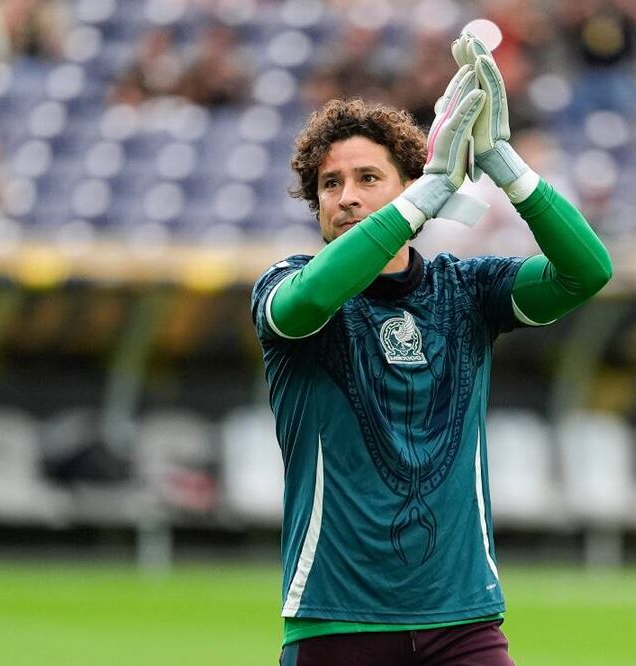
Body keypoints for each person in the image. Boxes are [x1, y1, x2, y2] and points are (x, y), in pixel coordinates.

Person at [251, 32, 613, 666]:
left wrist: (504, 164)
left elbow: (587, 272)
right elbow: (308, 302)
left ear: (406, 186)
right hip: (338, 620)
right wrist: (425, 195)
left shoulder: (467, 290)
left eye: (368, 177)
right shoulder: (288, 285)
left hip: (463, 620)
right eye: (330, 184)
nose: (346, 196)